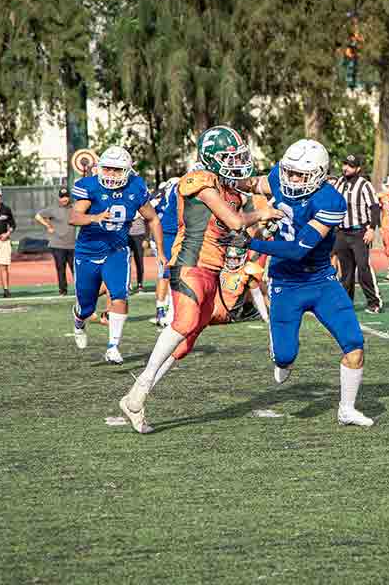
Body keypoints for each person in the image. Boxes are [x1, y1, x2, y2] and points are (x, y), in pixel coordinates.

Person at [118, 125, 280, 433]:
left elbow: (260, 184)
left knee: (185, 344)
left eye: (237, 156)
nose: (235, 162)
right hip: (190, 261)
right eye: (228, 157)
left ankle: (135, 398)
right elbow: (234, 220)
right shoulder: (198, 180)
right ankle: (138, 390)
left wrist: (292, 180)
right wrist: (262, 215)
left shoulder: (231, 184)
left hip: (213, 268)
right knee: (184, 322)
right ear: (210, 158)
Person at [220, 139, 375, 427]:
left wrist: (250, 243)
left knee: (354, 343)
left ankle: (347, 409)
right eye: (289, 172)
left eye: (299, 175)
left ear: (318, 174)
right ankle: (280, 354)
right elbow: (255, 184)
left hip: (320, 279)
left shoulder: (330, 200)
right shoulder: (281, 176)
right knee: (285, 358)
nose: (291, 179)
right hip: (285, 282)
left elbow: (297, 249)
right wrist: (225, 178)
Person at [69, 145, 165, 364]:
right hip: (88, 252)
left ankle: (113, 347)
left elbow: (153, 219)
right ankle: (78, 318)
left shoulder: (136, 186)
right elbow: (74, 217)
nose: (111, 174)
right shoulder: (90, 186)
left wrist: (160, 250)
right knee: (87, 306)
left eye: (117, 170)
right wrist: (96, 218)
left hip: (117, 250)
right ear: (100, 168)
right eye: (108, 169)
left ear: (127, 171)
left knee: (119, 295)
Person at [332, 153, 382, 313]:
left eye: (350, 166)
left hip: (359, 232)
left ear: (358, 169)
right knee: (346, 272)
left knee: (362, 268)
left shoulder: (364, 185)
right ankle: (347, 304)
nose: (346, 168)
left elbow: (375, 207)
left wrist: (372, 228)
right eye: (345, 164)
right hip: (341, 232)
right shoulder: (339, 183)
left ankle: (374, 302)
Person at [34, 187, 76, 295]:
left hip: (72, 245)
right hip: (57, 244)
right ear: (59, 198)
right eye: (62, 197)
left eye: (66, 197)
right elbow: (38, 216)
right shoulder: (53, 208)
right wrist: (48, 225)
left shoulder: (74, 207)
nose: (64, 199)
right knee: (60, 268)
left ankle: (80, 289)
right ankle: (63, 290)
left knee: (75, 269)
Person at [150, 177, 180, 326]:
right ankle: (161, 311)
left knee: (171, 273)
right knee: (167, 274)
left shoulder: (164, 194)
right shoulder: (176, 188)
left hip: (168, 234)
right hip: (166, 235)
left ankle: (165, 309)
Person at [127, 210, 147, 293]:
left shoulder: (142, 203)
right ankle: (127, 284)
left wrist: (147, 238)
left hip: (139, 235)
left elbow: (149, 220)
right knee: (126, 261)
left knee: (139, 261)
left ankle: (140, 284)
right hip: (127, 234)